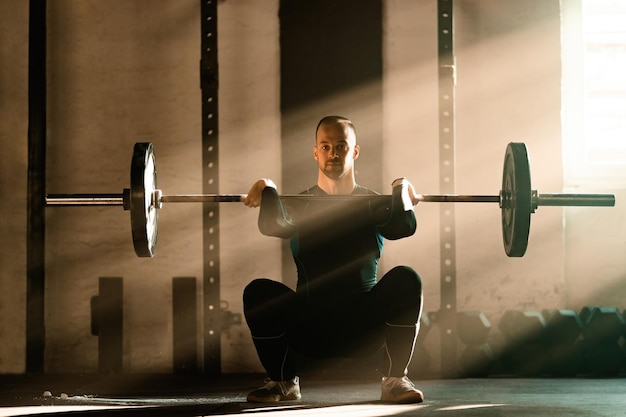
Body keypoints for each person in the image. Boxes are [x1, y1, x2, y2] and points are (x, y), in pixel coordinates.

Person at [242, 115, 424, 403]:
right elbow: (272, 224)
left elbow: (404, 227)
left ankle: (395, 380)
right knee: (258, 291)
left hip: (363, 329)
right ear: (315, 152)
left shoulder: (373, 204)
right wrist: (267, 188)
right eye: (325, 147)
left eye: (341, 146)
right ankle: (282, 382)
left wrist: (401, 187)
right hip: (310, 329)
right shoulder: (299, 205)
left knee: (407, 278)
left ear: (355, 151)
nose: (333, 154)